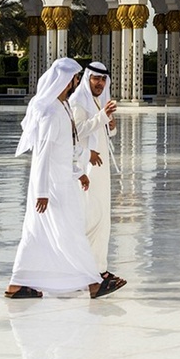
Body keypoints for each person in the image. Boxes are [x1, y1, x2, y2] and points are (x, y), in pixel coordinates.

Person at [5, 56, 125, 300]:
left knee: (36, 235)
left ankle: (17, 284)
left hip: (61, 180)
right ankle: (93, 283)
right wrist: (41, 191)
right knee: (69, 233)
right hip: (51, 187)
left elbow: (67, 147)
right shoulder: (50, 113)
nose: (75, 82)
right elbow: (44, 154)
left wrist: (78, 172)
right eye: (74, 78)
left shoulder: (62, 108)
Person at [70, 61, 125, 287]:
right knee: (91, 218)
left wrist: (110, 122)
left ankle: (99, 269)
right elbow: (78, 131)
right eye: (96, 79)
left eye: (103, 80)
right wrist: (102, 116)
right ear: (87, 79)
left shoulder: (97, 101)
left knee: (103, 219)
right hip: (87, 168)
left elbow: (107, 132)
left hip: (101, 169)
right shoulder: (78, 101)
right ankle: (83, 270)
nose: (100, 83)